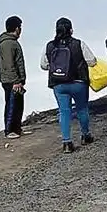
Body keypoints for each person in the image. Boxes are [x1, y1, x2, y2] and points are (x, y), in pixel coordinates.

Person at [40, 17, 97, 153]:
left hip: (59, 85)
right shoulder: (79, 44)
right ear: (71, 30)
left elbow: (43, 65)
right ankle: (85, 136)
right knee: (82, 109)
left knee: (64, 112)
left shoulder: (49, 46)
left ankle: (67, 143)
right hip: (79, 83)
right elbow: (92, 61)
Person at [0, 15, 30, 139]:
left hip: (16, 80)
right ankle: (9, 130)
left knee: (18, 105)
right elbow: (9, 63)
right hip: (11, 81)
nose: (21, 30)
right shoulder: (7, 44)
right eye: (20, 27)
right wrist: (16, 81)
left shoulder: (12, 42)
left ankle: (17, 129)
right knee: (11, 105)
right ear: (16, 28)